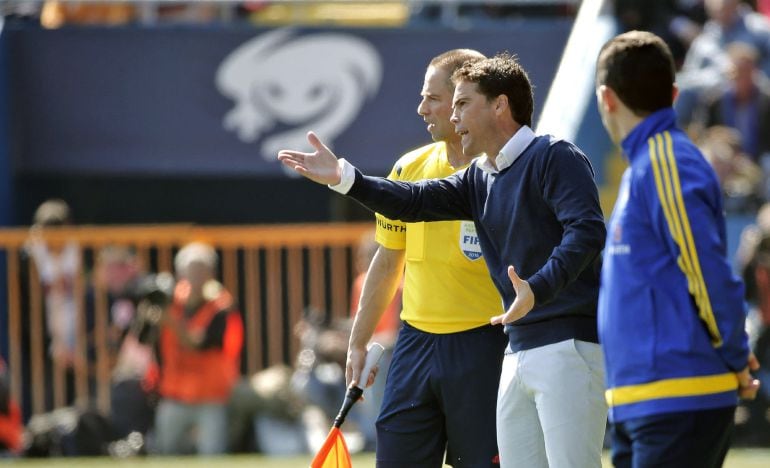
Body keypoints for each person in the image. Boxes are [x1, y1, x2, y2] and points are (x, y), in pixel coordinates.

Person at [279, 53, 608, 467]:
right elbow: (413, 200)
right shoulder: (481, 176)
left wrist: (538, 289)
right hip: (516, 350)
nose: (453, 118)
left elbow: (588, 231)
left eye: (461, 104)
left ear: (500, 105)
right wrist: (346, 178)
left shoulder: (555, 155)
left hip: (563, 344)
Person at [594, 30, 760, 467]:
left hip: (678, 394)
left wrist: (737, 357)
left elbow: (706, 272)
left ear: (606, 99)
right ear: (672, 93)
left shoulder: (667, 161)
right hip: (644, 397)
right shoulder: (647, 164)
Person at [345, 49, 508, 467]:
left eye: (432, 98)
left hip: (485, 347)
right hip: (414, 345)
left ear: (463, 101)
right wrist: (359, 342)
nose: (422, 109)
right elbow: (387, 260)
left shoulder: (512, 173)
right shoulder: (410, 167)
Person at [153, 242, 243, 455]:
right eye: (191, 269)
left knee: (212, 454)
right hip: (175, 395)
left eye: (201, 269)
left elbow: (198, 343)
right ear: (180, 272)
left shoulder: (222, 306)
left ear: (211, 273)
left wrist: (171, 322)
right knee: (165, 452)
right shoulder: (170, 301)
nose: (196, 275)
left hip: (210, 396)